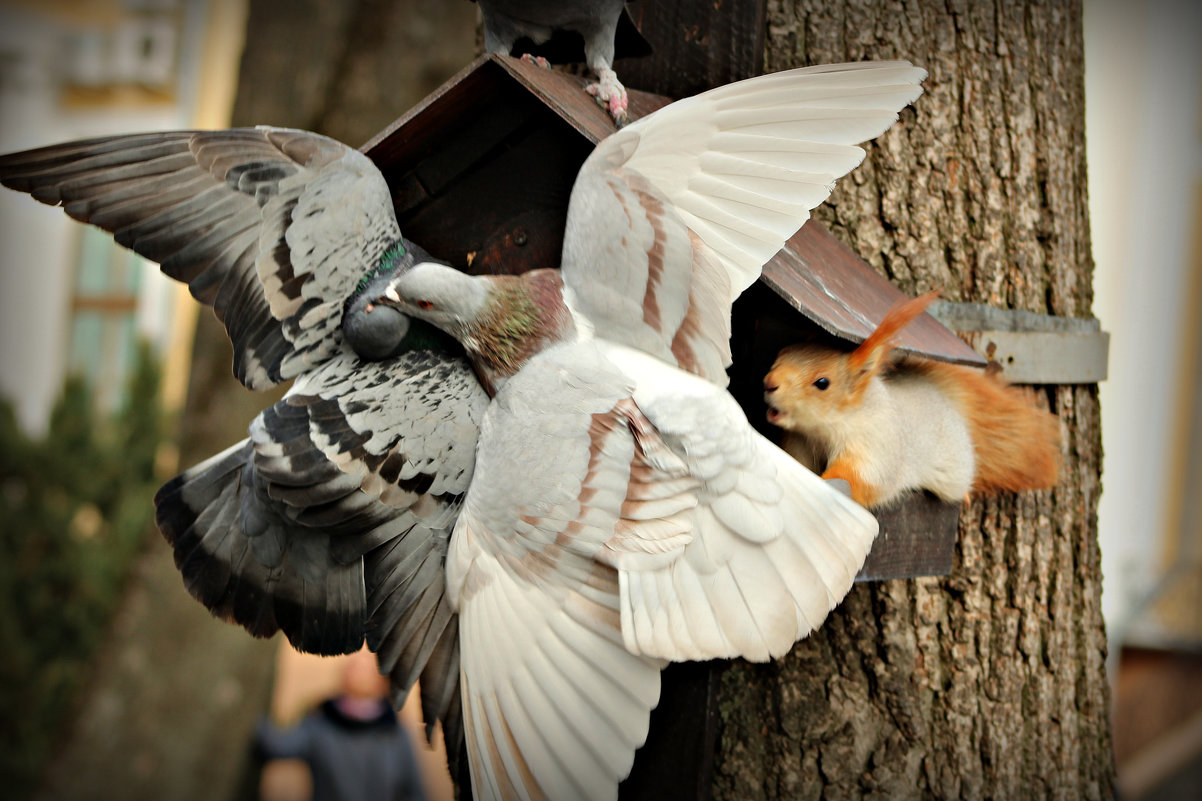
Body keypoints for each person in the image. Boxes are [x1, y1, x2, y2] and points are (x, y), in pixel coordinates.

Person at [256, 648, 426, 801]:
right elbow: (277, 746)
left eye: (365, 668)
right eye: (353, 665)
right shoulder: (321, 722)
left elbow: (414, 790)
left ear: (381, 682)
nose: (355, 671)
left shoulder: (394, 733)